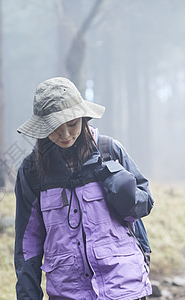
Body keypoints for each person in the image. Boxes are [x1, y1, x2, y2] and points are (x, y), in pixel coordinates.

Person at [14, 77, 154, 300]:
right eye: (56, 129)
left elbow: (144, 205)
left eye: (72, 124)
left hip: (123, 286)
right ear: (42, 128)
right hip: (68, 291)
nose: (66, 135)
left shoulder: (109, 151)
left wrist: (122, 190)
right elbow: (27, 243)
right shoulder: (32, 171)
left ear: (83, 119)